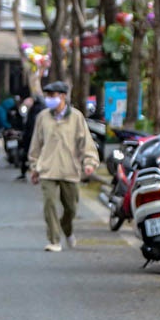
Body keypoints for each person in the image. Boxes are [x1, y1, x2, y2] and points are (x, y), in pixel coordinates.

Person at [27, 80, 99, 252]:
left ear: (63, 97)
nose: (49, 99)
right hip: (47, 168)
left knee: (71, 208)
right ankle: (54, 240)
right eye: (48, 96)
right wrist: (34, 167)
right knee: (49, 204)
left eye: (53, 96)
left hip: (70, 169)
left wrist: (89, 162)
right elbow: (36, 144)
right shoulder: (43, 117)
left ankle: (67, 229)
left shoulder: (76, 117)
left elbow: (86, 143)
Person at [16, 90, 44, 182]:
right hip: (33, 136)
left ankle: (26, 173)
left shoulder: (37, 110)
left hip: (32, 136)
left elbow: (30, 125)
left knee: (27, 154)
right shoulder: (35, 109)